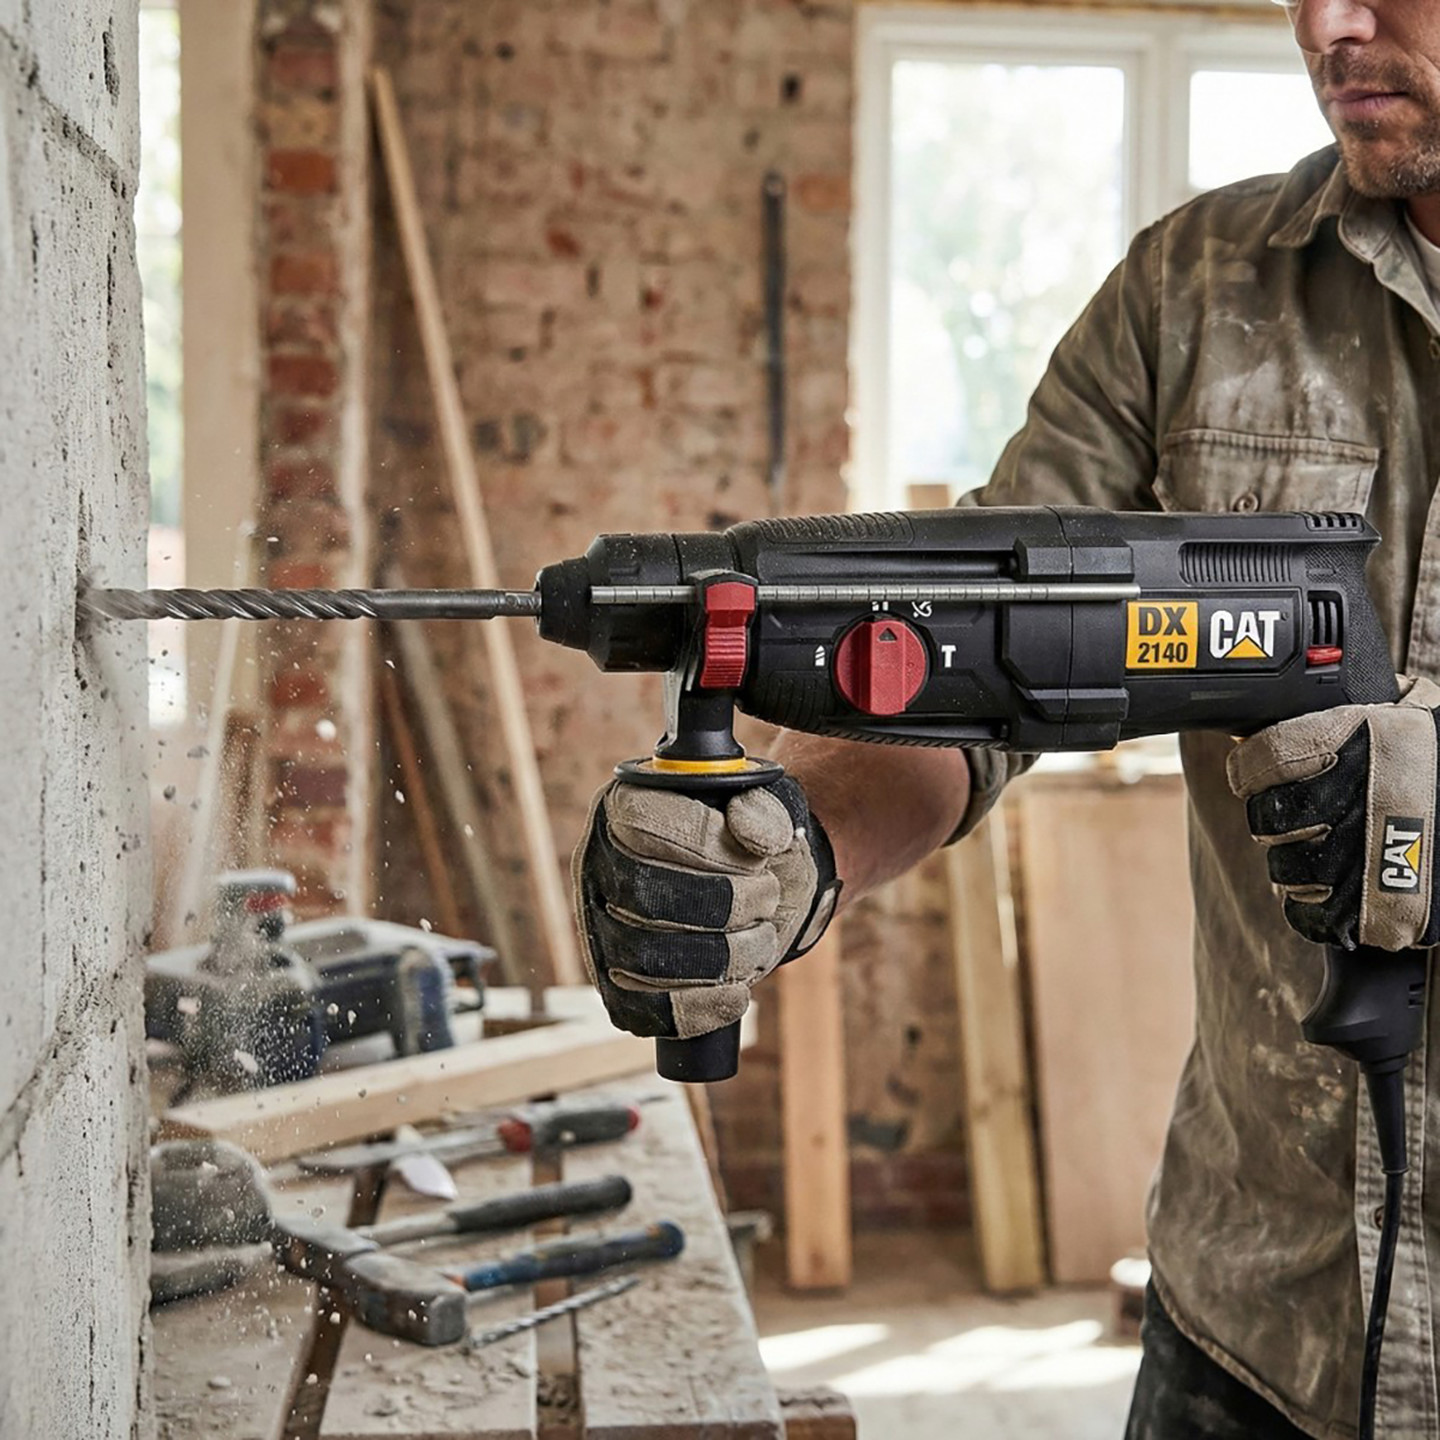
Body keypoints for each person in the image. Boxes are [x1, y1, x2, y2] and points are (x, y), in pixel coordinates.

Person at [573, 0, 1440, 1434]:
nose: (1325, 20)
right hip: (1252, 1320)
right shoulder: (1195, 286)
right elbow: (975, 660)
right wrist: (796, 847)